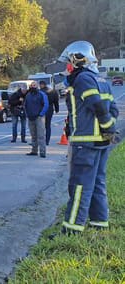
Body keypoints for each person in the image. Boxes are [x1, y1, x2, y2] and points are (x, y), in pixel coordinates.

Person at [57, 40, 119, 235]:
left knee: (80, 186)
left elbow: (96, 105)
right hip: (101, 142)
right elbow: (113, 109)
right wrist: (109, 131)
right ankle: (99, 223)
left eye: (69, 61)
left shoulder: (83, 79)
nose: (68, 66)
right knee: (97, 182)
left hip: (85, 142)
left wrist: (106, 127)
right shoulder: (102, 81)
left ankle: (72, 229)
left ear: (78, 59)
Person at [24, 81, 48, 158]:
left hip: (39, 118)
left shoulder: (42, 94)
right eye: (31, 85)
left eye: (34, 85)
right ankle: (34, 151)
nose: (32, 87)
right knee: (33, 135)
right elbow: (25, 105)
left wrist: (41, 114)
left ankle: (42, 152)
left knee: (41, 135)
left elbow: (46, 105)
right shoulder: (28, 95)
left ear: (37, 86)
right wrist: (27, 114)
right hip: (30, 117)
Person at [39, 80, 59, 145]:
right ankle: (47, 141)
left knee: (41, 126)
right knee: (48, 125)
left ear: (41, 85)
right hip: (50, 109)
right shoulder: (53, 91)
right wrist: (57, 109)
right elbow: (56, 101)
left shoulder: (40, 92)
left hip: (42, 109)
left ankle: (41, 140)